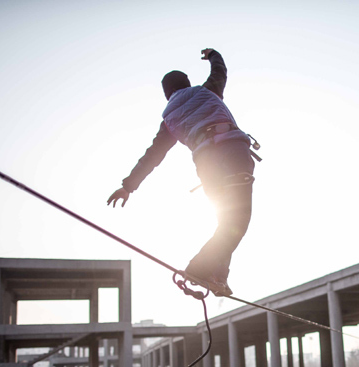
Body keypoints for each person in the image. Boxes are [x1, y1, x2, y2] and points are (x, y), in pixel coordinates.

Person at [107, 48, 257, 297]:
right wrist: (212, 54)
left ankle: (217, 276)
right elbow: (220, 71)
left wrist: (128, 186)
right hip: (232, 155)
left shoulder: (169, 119)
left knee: (226, 222)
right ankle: (199, 269)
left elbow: (152, 156)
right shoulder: (206, 91)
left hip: (207, 166)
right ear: (187, 84)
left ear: (167, 95)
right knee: (237, 221)